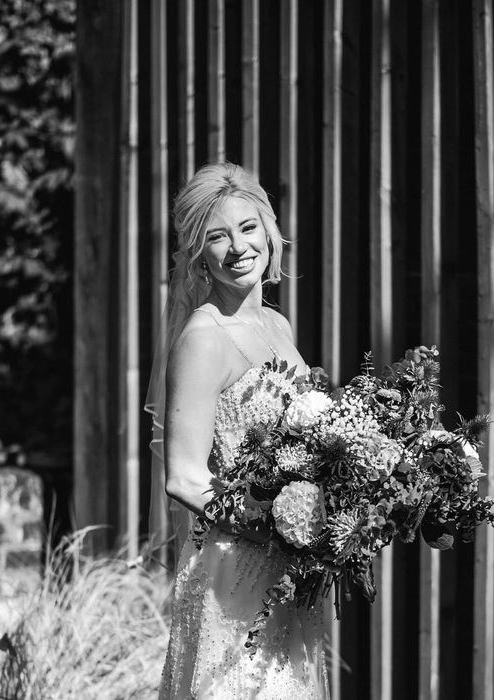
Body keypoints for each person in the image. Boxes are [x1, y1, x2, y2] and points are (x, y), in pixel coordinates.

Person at [145, 162, 329, 699]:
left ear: (269, 233)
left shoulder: (278, 326)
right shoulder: (203, 338)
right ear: (198, 255)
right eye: (217, 237)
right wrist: (274, 526)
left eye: (248, 228)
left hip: (289, 579)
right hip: (233, 576)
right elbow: (182, 477)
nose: (238, 247)